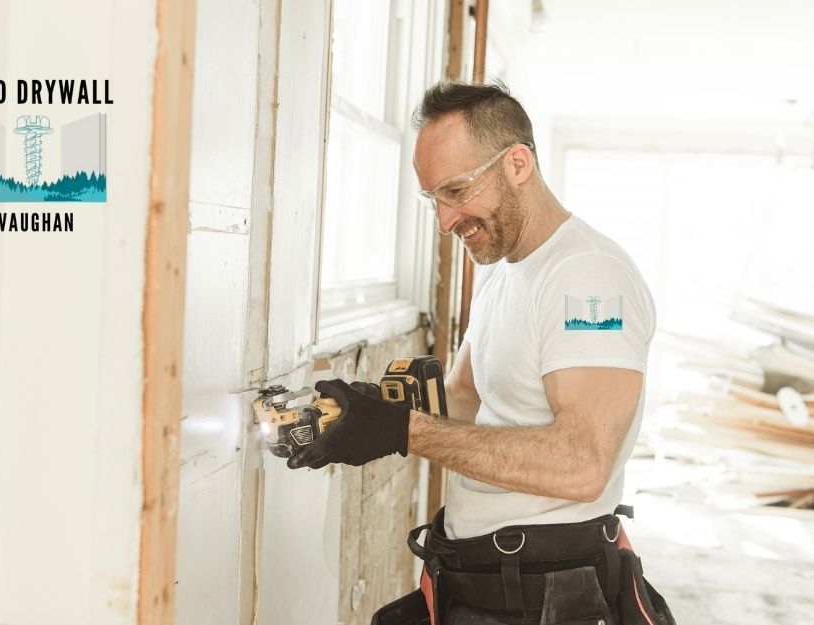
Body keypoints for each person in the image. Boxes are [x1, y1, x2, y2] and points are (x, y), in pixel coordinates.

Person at [287, 81, 675, 625]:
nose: (445, 221)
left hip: (548, 594)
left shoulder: (588, 278)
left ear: (517, 163)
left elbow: (584, 464)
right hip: (482, 580)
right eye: (434, 200)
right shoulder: (505, 272)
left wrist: (404, 431)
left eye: (456, 190)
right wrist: (362, 412)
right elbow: (466, 398)